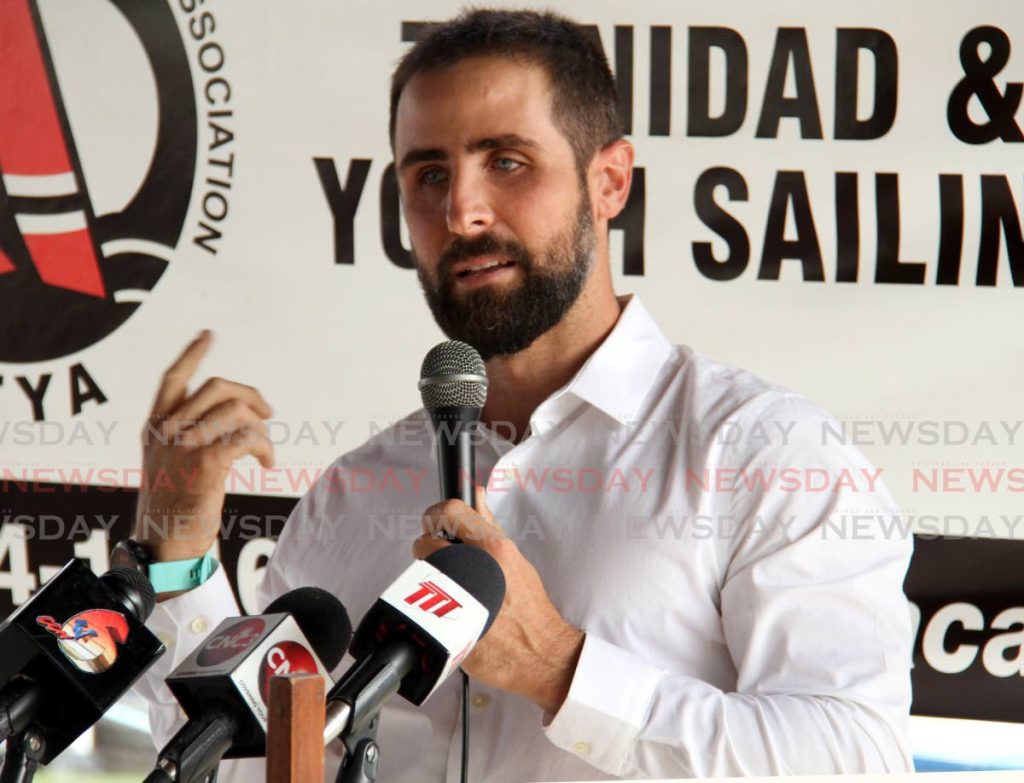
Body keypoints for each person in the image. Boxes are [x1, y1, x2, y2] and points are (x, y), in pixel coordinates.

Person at [131, 9, 914, 781]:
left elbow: (859, 757)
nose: (461, 211)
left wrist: (559, 666)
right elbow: (230, 764)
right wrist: (180, 557)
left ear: (609, 181)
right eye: (429, 174)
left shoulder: (764, 450)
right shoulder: (351, 492)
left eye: (506, 161)